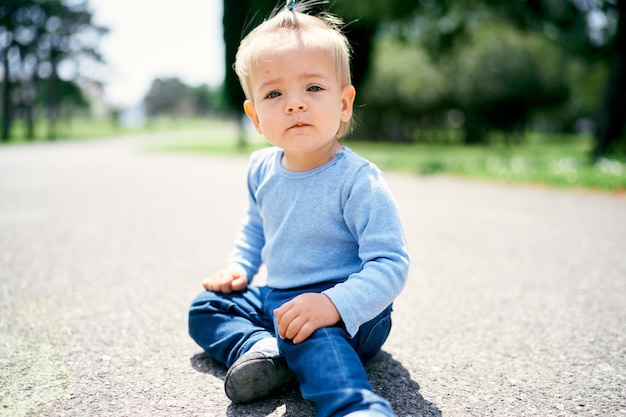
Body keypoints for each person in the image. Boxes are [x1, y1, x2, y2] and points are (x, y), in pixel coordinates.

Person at [188, 4, 410, 417]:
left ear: (344, 104)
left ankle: (355, 407)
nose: (294, 104)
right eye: (274, 93)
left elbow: (390, 262)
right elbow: (257, 225)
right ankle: (266, 351)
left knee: (312, 334)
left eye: (313, 88)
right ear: (254, 115)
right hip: (281, 300)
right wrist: (240, 266)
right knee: (206, 307)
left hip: (350, 312)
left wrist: (333, 305)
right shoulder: (260, 169)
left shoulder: (358, 180)